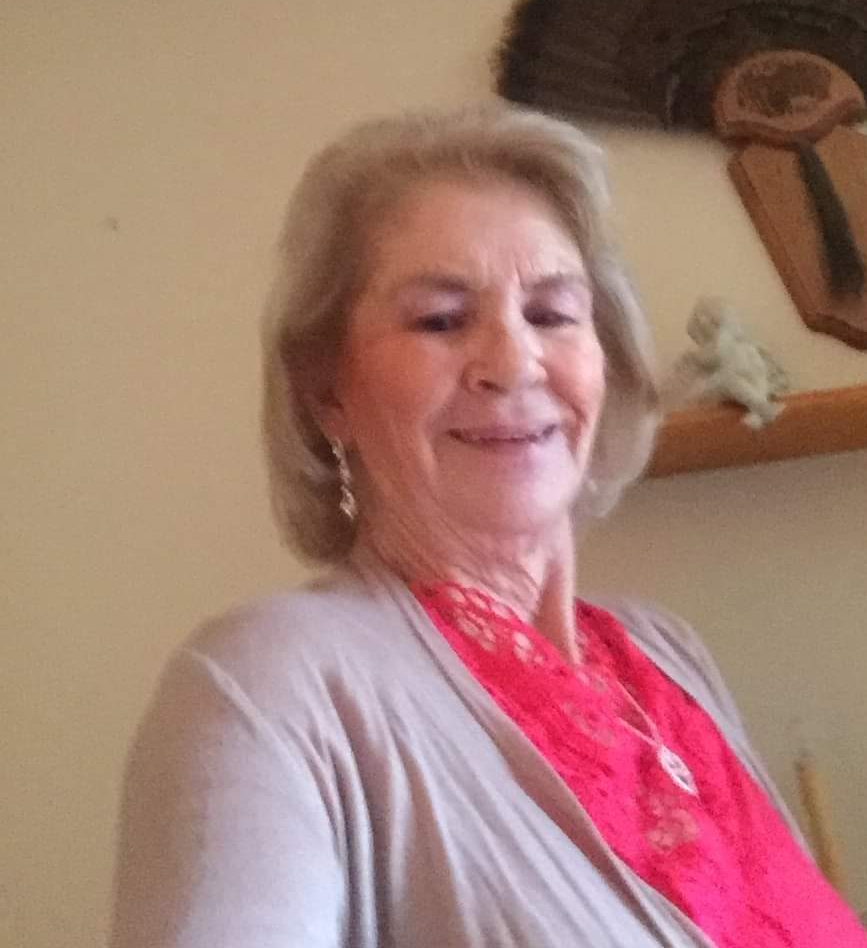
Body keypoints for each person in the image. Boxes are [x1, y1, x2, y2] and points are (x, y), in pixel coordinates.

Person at [109, 102, 867, 947]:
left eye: (550, 314)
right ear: (326, 391)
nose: (512, 364)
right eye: (439, 319)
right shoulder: (269, 683)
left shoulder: (666, 655)